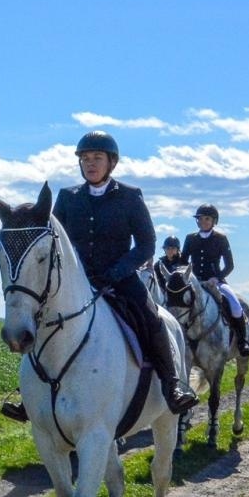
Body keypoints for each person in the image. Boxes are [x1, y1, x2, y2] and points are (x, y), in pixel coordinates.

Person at [52, 131, 198, 413]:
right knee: (43, 316)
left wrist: (116, 272)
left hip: (119, 278)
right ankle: (29, 393)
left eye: (97, 158)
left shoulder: (130, 196)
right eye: (85, 158)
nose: (90, 163)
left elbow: (146, 244)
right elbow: (55, 239)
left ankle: (172, 385)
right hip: (77, 280)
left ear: (112, 162)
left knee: (152, 318)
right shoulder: (67, 197)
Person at [179, 204, 249, 355]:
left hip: (215, 282)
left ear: (214, 221)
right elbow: (183, 261)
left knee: (235, 305)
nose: (203, 222)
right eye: (200, 219)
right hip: (195, 282)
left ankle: (242, 341)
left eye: (207, 219)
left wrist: (216, 278)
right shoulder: (190, 238)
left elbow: (229, 265)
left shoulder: (221, 239)